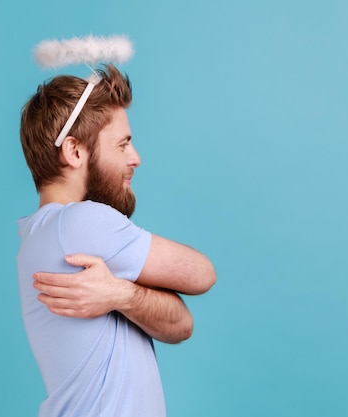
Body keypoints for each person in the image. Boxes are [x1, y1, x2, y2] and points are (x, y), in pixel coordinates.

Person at [17, 64, 216, 417]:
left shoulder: (40, 233)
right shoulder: (81, 221)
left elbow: (180, 325)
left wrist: (120, 294)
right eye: (122, 144)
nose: (135, 158)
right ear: (75, 151)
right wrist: (124, 294)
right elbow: (202, 275)